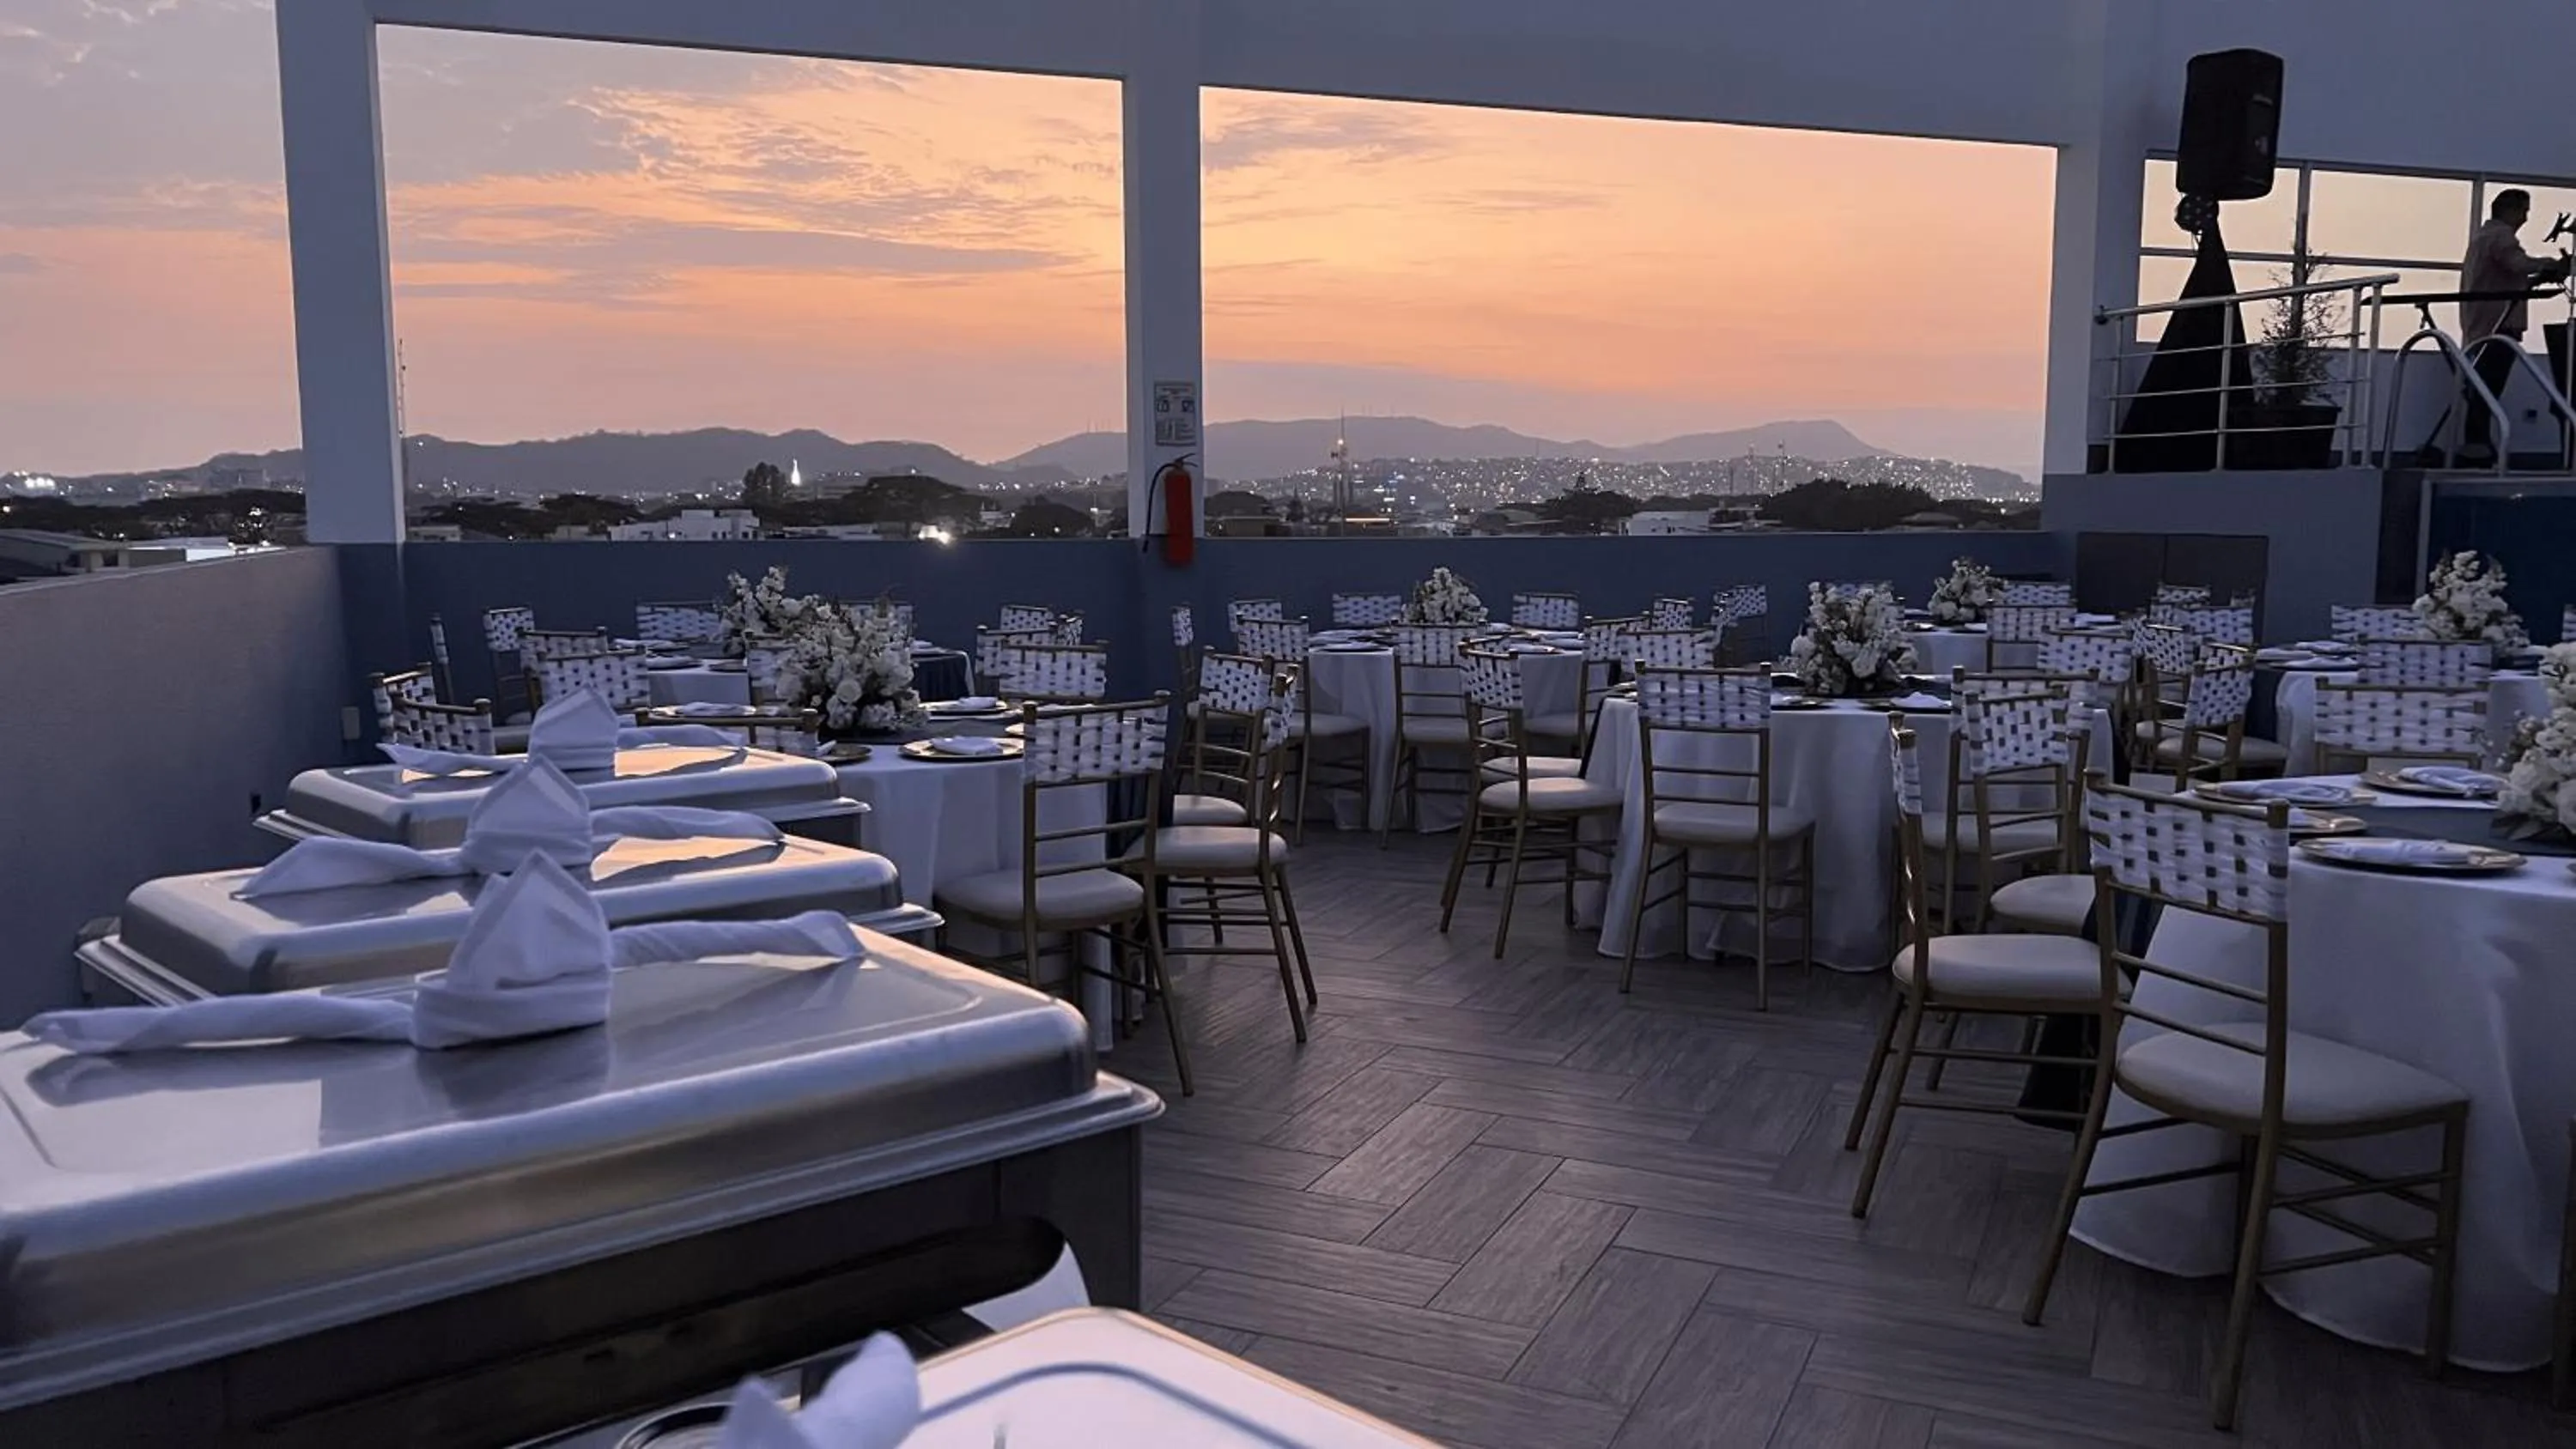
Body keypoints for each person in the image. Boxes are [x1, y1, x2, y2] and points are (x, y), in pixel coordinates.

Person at [2456, 188, 2571, 461]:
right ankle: (2476, 447)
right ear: (2510, 211)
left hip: (2481, 320)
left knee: (2483, 386)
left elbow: (2510, 273)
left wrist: (2540, 275)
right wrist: (2551, 264)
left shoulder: (2483, 237)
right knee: (2488, 386)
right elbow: (2517, 263)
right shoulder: (2500, 236)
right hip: (2497, 322)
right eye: (2524, 211)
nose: (2526, 219)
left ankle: (2478, 444)